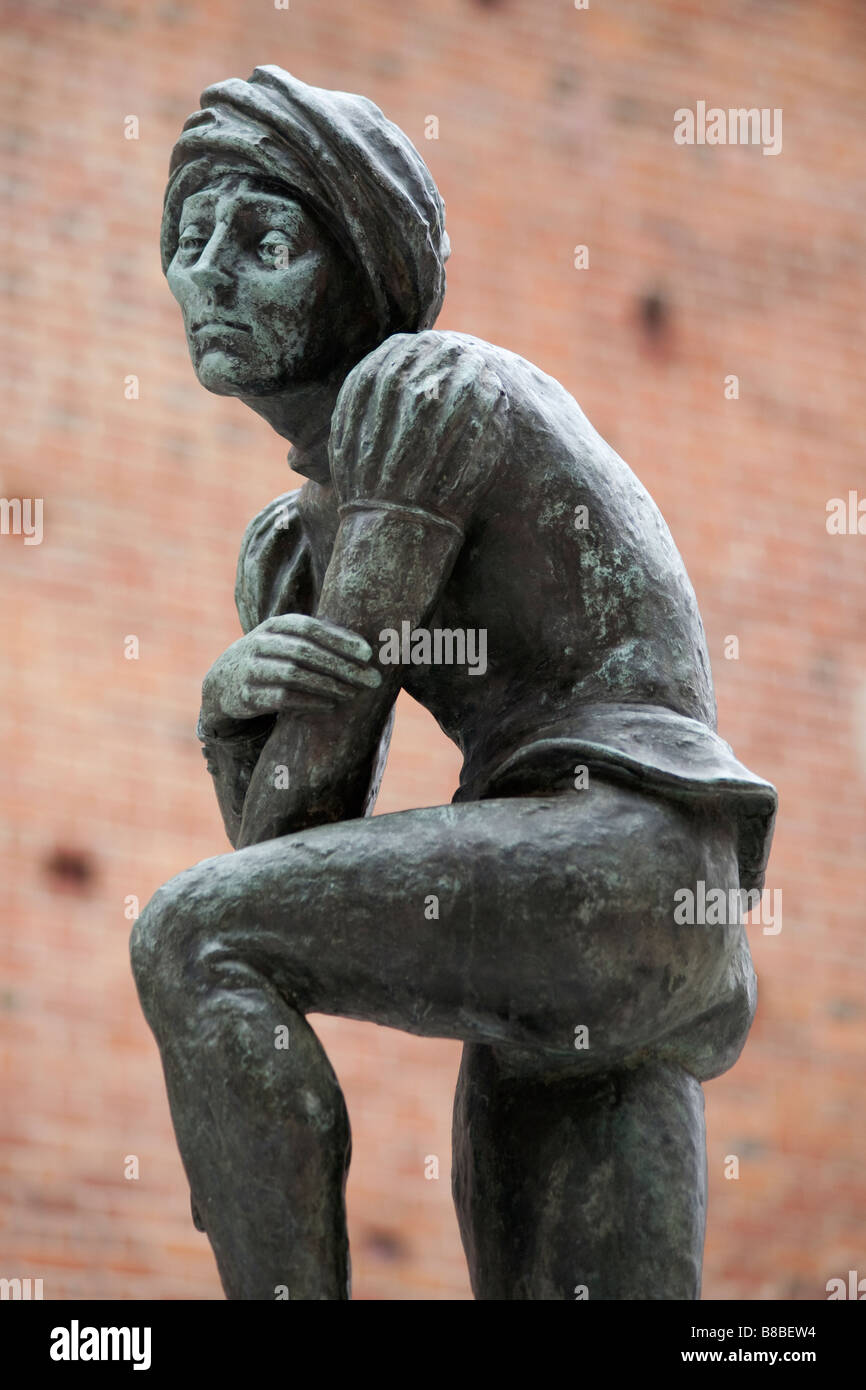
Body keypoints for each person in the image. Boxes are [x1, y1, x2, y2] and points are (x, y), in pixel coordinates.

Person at [131, 66, 777, 1300]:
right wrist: (228, 718)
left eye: (265, 240)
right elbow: (291, 839)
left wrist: (283, 719)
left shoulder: (422, 398)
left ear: (361, 265)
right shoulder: (289, 540)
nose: (208, 275)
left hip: (619, 857)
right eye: (188, 239)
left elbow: (249, 887)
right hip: (555, 922)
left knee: (182, 929)